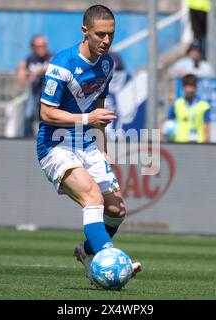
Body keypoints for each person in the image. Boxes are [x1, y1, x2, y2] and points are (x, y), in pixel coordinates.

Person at [37, 5, 141, 285]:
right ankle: (109, 260)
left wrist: (102, 145)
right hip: (55, 145)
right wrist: (87, 118)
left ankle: (85, 252)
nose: (106, 41)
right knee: (92, 198)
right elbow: (46, 113)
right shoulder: (62, 63)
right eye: (100, 35)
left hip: (86, 143)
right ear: (85, 32)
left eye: (111, 34)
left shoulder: (107, 64)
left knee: (117, 211)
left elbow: (99, 109)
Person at [17, 35, 53, 138]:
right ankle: (27, 138)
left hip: (48, 95)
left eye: (44, 46)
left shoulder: (51, 57)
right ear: (33, 47)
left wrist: (38, 71)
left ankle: (45, 138)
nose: (42, 48)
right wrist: (22, 71)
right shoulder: (29, 59)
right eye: (38, 46)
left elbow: (51, 65)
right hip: (34, 92)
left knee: (45, 117)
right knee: (28, 115)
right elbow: (21, 73)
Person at [162, 74, 210, 143]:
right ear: (183, 87)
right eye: (186, 86)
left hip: (198, 144)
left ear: (196, 87)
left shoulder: (204, 106)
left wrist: (206, 147)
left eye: (191, 86)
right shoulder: (177, 103)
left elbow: (206, 129)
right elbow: (165, 123)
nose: (189, 89)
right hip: (179, 143)